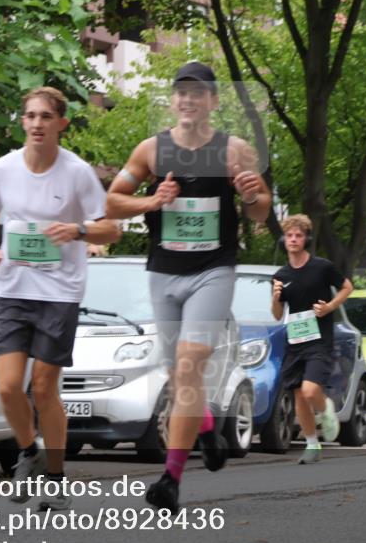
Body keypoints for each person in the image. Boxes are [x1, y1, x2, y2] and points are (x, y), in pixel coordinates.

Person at [106, 62, 271, 512]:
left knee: (189, 360)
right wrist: (151, 200)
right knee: (181, 374)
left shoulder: (233, 152)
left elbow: (259, 213)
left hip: (213, 270)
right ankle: (205, 431)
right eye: (181, 92)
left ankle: (171, 478)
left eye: (198, 93)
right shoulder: (152, 151)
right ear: (173, 100)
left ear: (213, 102)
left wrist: (253, 194)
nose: (188, 100)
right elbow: (112, 202)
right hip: (164, 270)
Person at [0, 87, 120, 511]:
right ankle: (28, 451)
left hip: (59, 292)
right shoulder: (2, 169)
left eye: (45, 117)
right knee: (7, 389)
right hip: (12, 288)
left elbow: (110, 229)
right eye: (30, 116)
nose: (37, 123)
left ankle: (56, 478)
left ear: (62, 123)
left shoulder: (77, 173)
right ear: (22, 122)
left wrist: (76, 230)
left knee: (43, 387)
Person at [271, 214, 353, 464]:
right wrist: (275, 297)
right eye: (289, 235)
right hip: (295, 339)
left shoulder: (322, 267)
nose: (293, 239)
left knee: (309, 391)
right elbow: (277, 315)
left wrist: (330, 307)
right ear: (284, 240)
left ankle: (326, 407)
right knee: (298, 396)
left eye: (298, 235)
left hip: (319, 338)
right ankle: (312, 444)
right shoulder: (280, 274)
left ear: (306, 239)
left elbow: (347, 287)